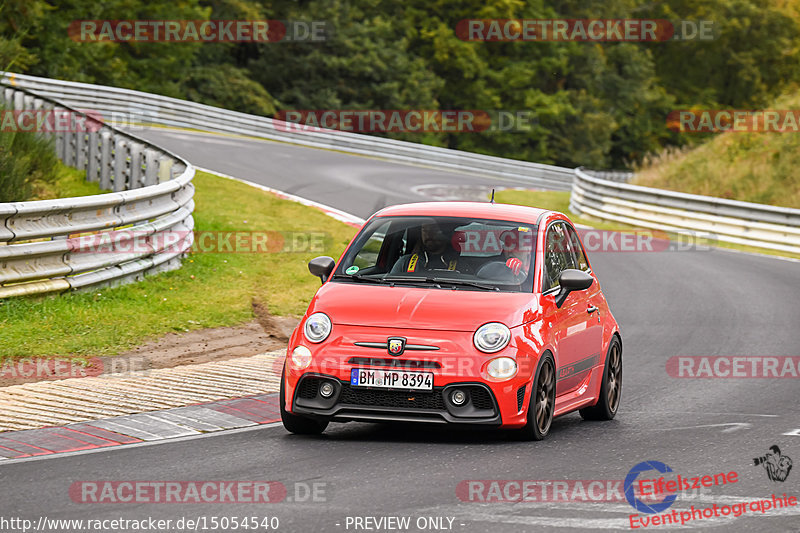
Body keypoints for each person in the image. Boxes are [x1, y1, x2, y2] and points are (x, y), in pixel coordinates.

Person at [391, 222, 460, 273]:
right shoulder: (405, 263)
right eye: (425, 230)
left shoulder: (462, 265)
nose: (428, 234)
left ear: (446, 234)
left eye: (434, 230)